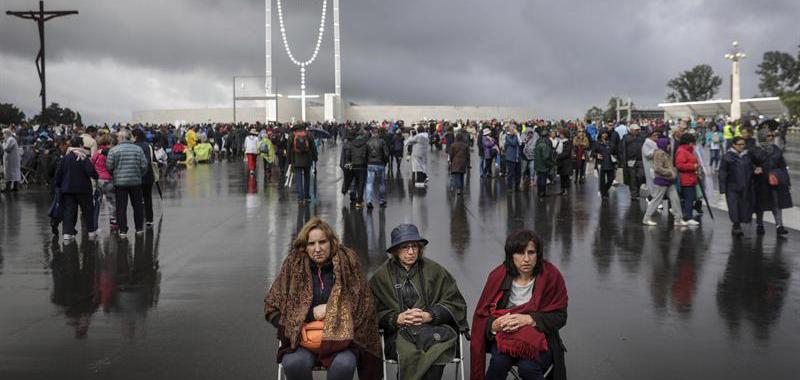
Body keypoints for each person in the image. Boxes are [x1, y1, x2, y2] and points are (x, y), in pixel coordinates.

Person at [264, 218, 381, 380]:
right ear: (304, 246)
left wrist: (333, 311)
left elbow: (365, 305)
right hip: (302, 342)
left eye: (322, 242)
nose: (317, 249)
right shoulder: (293, 264)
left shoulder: (348, 262)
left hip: (342, 342)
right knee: (293, 363)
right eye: (311, 244)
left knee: (344, 364)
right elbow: (271, 306)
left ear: (332, 242)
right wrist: (308, 316)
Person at [369, 223, 468, 380]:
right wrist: (396, 318)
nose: (411, 252)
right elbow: (370, 313)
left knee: (437, 352)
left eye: (414, 246)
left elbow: (455, 303)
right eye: (404, 247)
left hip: (433, 331)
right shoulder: (381, 277)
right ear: (395, 250)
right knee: (410, 354)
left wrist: (430, 315)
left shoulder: (435, 271)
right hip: (398, 335)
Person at [471, 229, 568, 380]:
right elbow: (482, 316)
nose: (526, 259)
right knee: (498, 362)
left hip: (541, 339)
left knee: (528, 368)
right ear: (511, 256)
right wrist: (494, 325)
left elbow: (560, 316)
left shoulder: (551, 276)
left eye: (531, 252)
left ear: (538, 254)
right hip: (506, 337)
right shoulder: (498, 276)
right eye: (520, 253)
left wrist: (530, 319)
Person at [54, 136, 99, 241]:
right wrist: (96, 177)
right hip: (83, 189)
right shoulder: (83, 157)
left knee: (69, 211)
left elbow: (58, 174)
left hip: (68, 189)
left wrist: (58, 185)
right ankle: (91, 231)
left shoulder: (66, 157)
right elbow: (91, 172)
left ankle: (67, 233)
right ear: (80, 145)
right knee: (87, 210)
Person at [106, 129, 148, 238]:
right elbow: (144, 165)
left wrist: (115, 174)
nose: (117, 139)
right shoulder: (138, 149)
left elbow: (109, 167)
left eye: (118, 137)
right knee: (137, 206)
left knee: (121, 208)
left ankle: (123, 230)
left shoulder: (114, 150)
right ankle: (139, 228)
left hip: (120, 183)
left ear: (122, 138)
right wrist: (139, 175)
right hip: (136, 182)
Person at [751, 131, 792, 235]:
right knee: (760, 204)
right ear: (763, 137)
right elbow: (749, 164)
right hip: (760, 181)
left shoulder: (776, 149)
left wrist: (786, 180)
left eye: (773, 135)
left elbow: (782, 165)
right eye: (769, 135)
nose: (772, 137)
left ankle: (779, 226)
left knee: (776, 203)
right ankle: (759, 224)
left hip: (775, 181)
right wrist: (755, 168)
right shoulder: (755, 150)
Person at [642, 138, 687, 226]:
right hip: (662, 180)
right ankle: (646, 218)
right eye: (668, 144)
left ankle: (678, 219)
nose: (670, 146)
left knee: (675, 199)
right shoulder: (659, 154)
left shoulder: (665, 153)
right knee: (657, 199)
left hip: (668, 180)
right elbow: (658, 168)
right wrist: (670, 172)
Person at [718, 137, 755, 236]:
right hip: (732, 186)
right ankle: (736, 225)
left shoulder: (747, 156)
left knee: (743, 205)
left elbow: (751, 168)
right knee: (733, 206)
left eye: (743, 144)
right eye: (740, 144)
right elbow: (722, 172)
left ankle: (741, 221)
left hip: (745, 186)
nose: (742, 146)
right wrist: (722, 188)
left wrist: (755, 171)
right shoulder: (727, 156)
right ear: (734, 145)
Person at [91, 134, 117, 231]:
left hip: (98, 180)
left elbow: (92, 162)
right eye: (111, 143)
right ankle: (113, 222)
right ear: (108, 143)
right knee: (111, 202)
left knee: (97, 202)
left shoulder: (97, 152)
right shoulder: (110, 152)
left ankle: (94, 225)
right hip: (108, 180)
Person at [287, 124, 318, 203]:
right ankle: (307, 196)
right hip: (307, 160)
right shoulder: (308, 134)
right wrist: (315, 157)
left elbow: (289, 148)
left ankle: (300, 197)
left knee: (298, 178)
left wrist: (289, 161)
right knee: (307, 178)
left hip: (296, 160)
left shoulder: (292, 135)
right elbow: (313, 147)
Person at [674, 134, 701, 226]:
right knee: (688, 199)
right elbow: (679, 165)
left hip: (691, 177)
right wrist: (693, 166)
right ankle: (688, 217)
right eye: (692, 143)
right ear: (689, 143)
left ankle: (686, 215)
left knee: (690, 198)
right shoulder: (682, 151)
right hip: (686, 178)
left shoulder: (688, 151)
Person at [133, 129, 157, 228]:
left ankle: (140, 219)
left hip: (136, 175)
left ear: (135, 136)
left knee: (137, 199)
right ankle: (149, 219)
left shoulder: (133, 147)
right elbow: (154, 160)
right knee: (148, 198)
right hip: (148, 175)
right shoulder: (149, 146)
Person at [365, 128, 390, 209]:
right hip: (380, 164)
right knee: (381, 183)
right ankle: (381, 200)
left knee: (369, 183)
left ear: (372, 133)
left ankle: (369, 201)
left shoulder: (368, 142)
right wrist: (385, 162)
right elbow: (386, 154)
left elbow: (365, 154)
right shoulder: (382, 141)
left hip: (370, 164)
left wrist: (367, 162)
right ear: (378, 134)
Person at [345, 130, 369, 207]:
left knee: (354, 182)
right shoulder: (365, 143)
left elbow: (348, 155)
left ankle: (353, 195)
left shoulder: (352, 143)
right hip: (362, 165)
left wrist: (350, 162)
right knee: (361, 184)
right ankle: (359, 201)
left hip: (353, 165)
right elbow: (367, 154)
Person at [593, 131, 615, 199]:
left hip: (610, 163)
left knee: (611, 179)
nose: (604, 135)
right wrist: (596, 155)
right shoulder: (597, 143)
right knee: (602, 180)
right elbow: (592, 152)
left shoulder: (610, 143)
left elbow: (614, 151)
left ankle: (604, 190)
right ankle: (604, 194)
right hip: (601, 163)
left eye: (606, 133)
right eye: (603, 133)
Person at [504, 124, 522, 192]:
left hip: (518, 157)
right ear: (510, 129)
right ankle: (509, 187)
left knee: (518, 174)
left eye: (515, 128)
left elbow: (520, 144)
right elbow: (513, 143)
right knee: (510, 173)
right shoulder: (508, 136)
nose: (515, 130)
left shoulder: (517, 136)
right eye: (513, 128)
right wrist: (516, 135)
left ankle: (517, 186)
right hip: (511, 158)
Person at [555, 129, 573, 196]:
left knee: (566, 177)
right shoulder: (559, 141)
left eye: (561, 134)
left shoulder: (568, 142)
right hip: (560, 162)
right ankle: (562, 190)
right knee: (562, 176)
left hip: (566, 162)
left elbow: (567, 153)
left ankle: (566, 190)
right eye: (560, 134)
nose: (560, 135)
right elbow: (556, 149)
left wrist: (558, 156)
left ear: (564, 134)